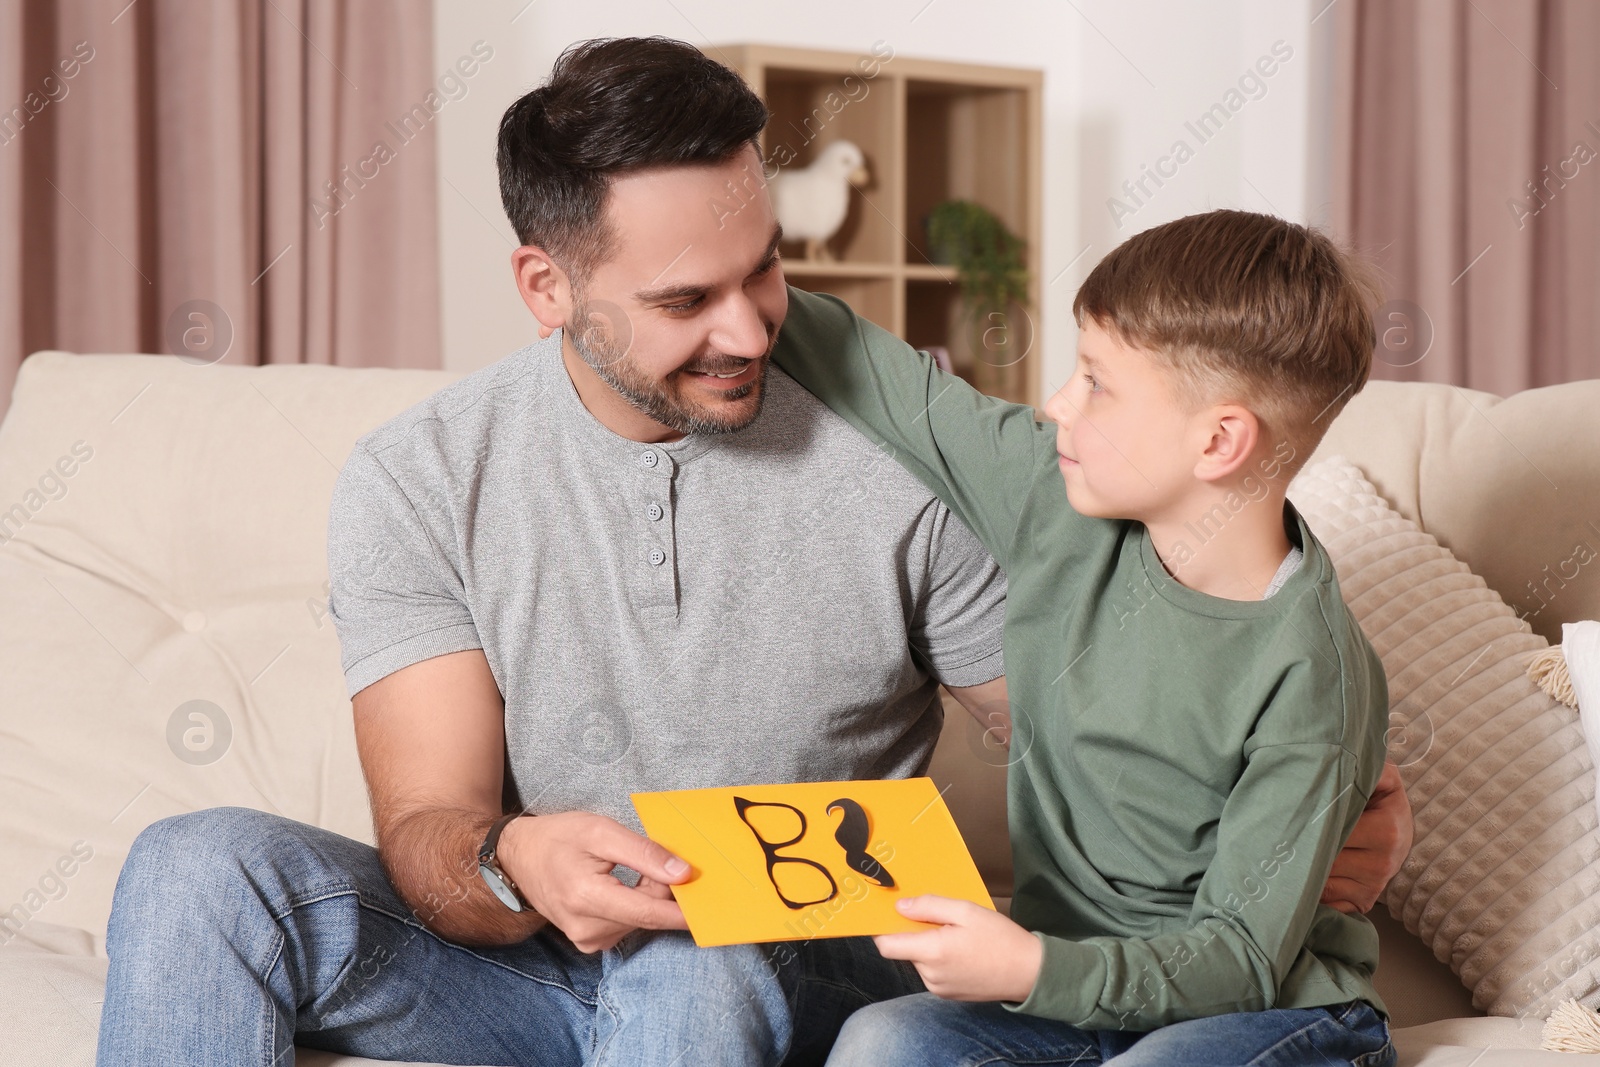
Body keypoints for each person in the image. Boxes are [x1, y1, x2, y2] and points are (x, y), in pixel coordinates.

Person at [93, 37, 1408, 1067]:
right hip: (529, 960)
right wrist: (514, 859)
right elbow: (432, 833)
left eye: (765, 269)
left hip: (781, 963)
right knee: (196, 863)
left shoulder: (899, 458)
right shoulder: (420, 474)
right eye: (683, 301)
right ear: (546, 287)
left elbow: (1089, 716)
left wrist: (1301, 811)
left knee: (696, 957)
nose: (752, 327)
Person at [769, 210, 1400, 1067]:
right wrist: (734, 269)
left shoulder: (1315, 673)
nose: (1057, 404)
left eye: (1097, 382)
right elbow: (884, 381)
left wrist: (1028, 964)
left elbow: (1244, 957)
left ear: (1219, 440)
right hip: (1073, 997)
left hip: (1267, 1007)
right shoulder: (1055, 497)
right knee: (884, 1038)